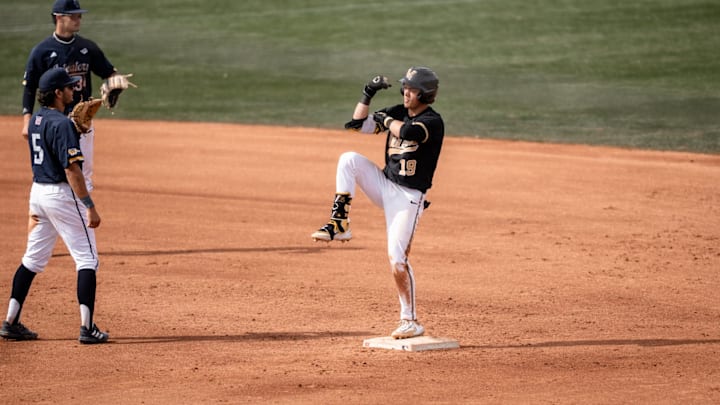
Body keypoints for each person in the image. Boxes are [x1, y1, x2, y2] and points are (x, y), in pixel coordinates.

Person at [311, 67, 445, 339]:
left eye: (412, 88)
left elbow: (409, 132)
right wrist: (367, 94)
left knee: (397, 260)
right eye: (405, 86)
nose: (406, 92)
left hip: (408, 198)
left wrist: (387, 120)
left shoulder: (432, 121)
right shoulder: (399, 110)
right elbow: (357, 125)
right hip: (384, 185)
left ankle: (410, 320)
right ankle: (339, 222)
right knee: (349, 159)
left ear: (425, 94)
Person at [0, 67, 108, 344]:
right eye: (69, 88)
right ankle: (88, 328)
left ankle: (11, 321)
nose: (74, 91)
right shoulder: (62, 125)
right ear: (58, 93)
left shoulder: (37, 119)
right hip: (61, 196)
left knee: (32, 260)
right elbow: (72, 170)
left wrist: (80, 134)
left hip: (38, 193)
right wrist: (89, 205)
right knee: (87, 259)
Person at [21, 0, 121, 192]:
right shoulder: (41, 51)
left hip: (82, 121)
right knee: (53, 171)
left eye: (79, 15)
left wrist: (115, 82)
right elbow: (30, 87)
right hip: (53, 121)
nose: (79, 19)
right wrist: (26, 120)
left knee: (84, 173)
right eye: (74, 15)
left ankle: (81, 212)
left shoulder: (87, 48)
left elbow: (109, 73)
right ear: (59, 17)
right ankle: (58, 211)